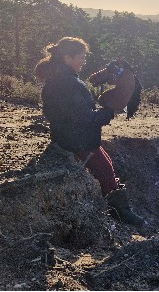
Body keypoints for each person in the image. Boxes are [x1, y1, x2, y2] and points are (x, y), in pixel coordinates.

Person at [35, 36, 144, 227]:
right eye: (81, 57)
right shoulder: (69, 84)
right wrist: (110, 112)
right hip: (77, 140)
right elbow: (85, 118)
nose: (84, 62)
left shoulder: (60, 80)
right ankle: (120, 212)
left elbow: (74, 114)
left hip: (67, 135)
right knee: (105, 168)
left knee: (107, 163)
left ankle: (115, 204)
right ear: (67, 58)